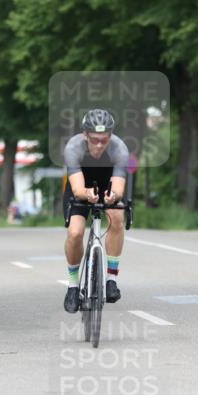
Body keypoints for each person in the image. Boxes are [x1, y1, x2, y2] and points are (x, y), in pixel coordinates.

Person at [62, 109, 128, 313]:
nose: (99, 144)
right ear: (85, 134)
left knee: (117, 217)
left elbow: (117, 187)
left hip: (107, 182)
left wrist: (113, 196)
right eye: (94, 139)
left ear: (111, 135)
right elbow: (77, 188)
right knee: (75, 233)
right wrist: (86, 194)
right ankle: (73, 286)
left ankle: (111, 280)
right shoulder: (73, 147)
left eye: (104, 139)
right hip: (82, 184)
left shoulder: (119, 149)